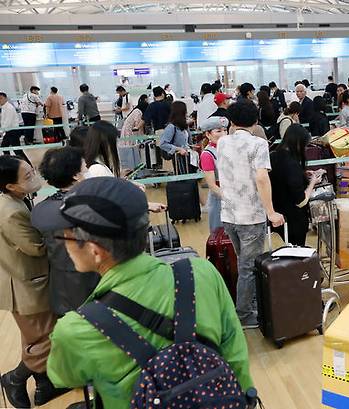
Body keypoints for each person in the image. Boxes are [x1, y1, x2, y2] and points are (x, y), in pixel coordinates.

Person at [30, 177, 254, 408]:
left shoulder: (76, 329)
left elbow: (63, 377)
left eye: (65, 237)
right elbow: (234, 351)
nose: (64, 245)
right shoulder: (202, 273)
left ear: (95, 251)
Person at [0, 156, 62, 408]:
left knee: (35, 337)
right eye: (27, 176)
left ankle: (44, 387)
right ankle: (14, 379)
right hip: (26, 284)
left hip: (23, 278)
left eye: (31, 171)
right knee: (46, 340)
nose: (34, 176)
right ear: (10, 186)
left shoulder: (13, 200)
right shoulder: (10, 212)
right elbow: (35, 247)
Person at [216, 102, 284, 328]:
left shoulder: (222, 142)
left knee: (243, 263)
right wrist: (271, 212)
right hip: (251, 216)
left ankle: (249, 301)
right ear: (256, 122)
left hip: (229, 214)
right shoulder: (258, 144)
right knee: (248, 267)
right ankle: (244, 314)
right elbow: (262, 178)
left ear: (232, 121)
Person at [34, 147, 100, 317]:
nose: (87, 171)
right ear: (76, 175)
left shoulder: (41, 209)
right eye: (85, 167)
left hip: (60, 285)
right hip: (91, 283)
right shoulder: (90, 206)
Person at [269, 124, 324, 246]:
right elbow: (301, 201)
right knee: (297, 254)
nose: (305, 149)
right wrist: (313, 182)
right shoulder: (292, 165)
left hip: (279, 213)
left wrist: (302, 175)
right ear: (298, 142)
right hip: (294, 219)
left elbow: (282, 178)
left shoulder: (274, 155)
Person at [199, 116, 229, 232]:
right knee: (221, 234)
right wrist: (230, 197)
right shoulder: (207, 154)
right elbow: (212, 185)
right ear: (208, 134)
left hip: (234, 195)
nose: (223, 134)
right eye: (218, 131)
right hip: (219, 199)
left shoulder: (229, 148)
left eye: (225, 130)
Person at [0, 92, 30, 163]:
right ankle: (10, 163)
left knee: (17, 150)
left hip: (13, 131)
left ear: (6, 98)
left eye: (1, 98)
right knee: (4, 147)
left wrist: (1, 131)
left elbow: (8, 122)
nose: (0, 100)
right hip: (9, 131)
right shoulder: (4, 108)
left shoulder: (9, 108)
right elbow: (3, 121)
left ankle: (28, 165)